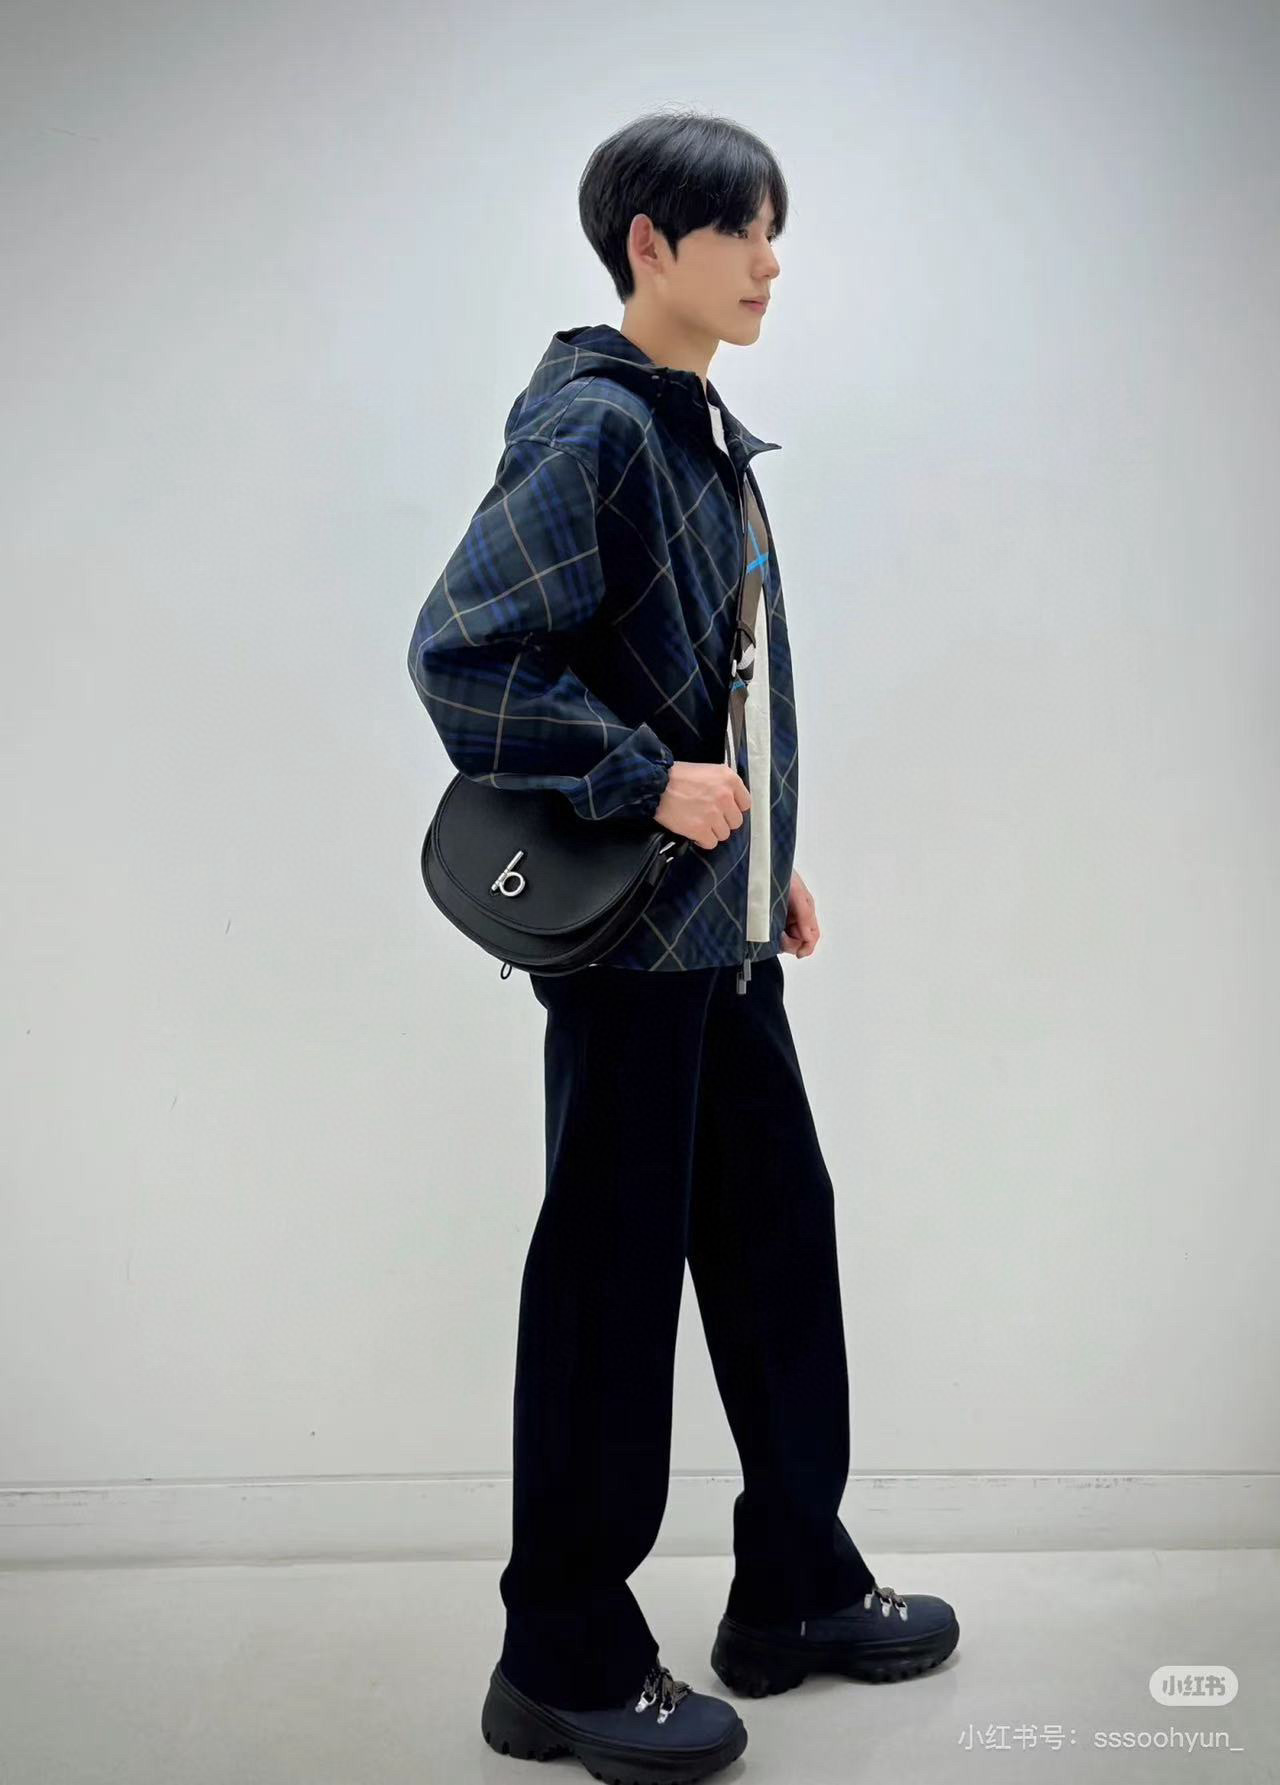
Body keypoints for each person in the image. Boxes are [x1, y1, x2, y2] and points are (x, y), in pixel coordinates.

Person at [407, 108, 959, 1784]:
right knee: (609, 1286)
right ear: (651, 243)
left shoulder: (695, 430)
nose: (772, 263)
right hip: (628, 958)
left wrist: (762, 859)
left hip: (713, 938)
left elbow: (710, 680)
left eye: (777, 234)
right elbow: (463, 654)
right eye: (745, 232)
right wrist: (646, 781)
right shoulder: (594, 429)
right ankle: (561, 1655)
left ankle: (793, 1583)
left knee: (781, 1242)